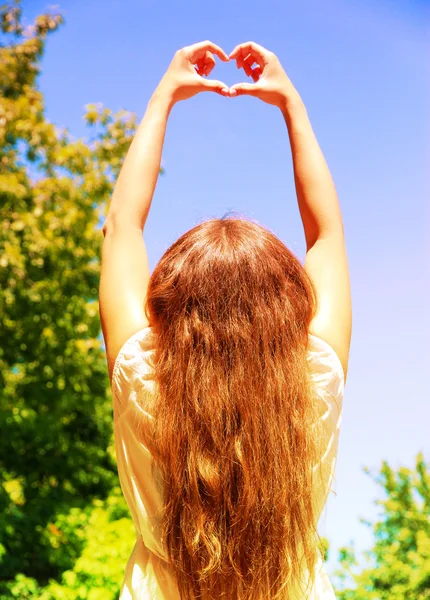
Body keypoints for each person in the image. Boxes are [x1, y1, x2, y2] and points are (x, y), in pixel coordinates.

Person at [99, 40, 352, 600]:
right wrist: (292, 105)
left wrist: (165, 94)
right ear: (291, 307)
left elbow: (121, 227)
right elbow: (327, 236)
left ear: (166, 307)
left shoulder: (144, 379)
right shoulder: (315, 382)